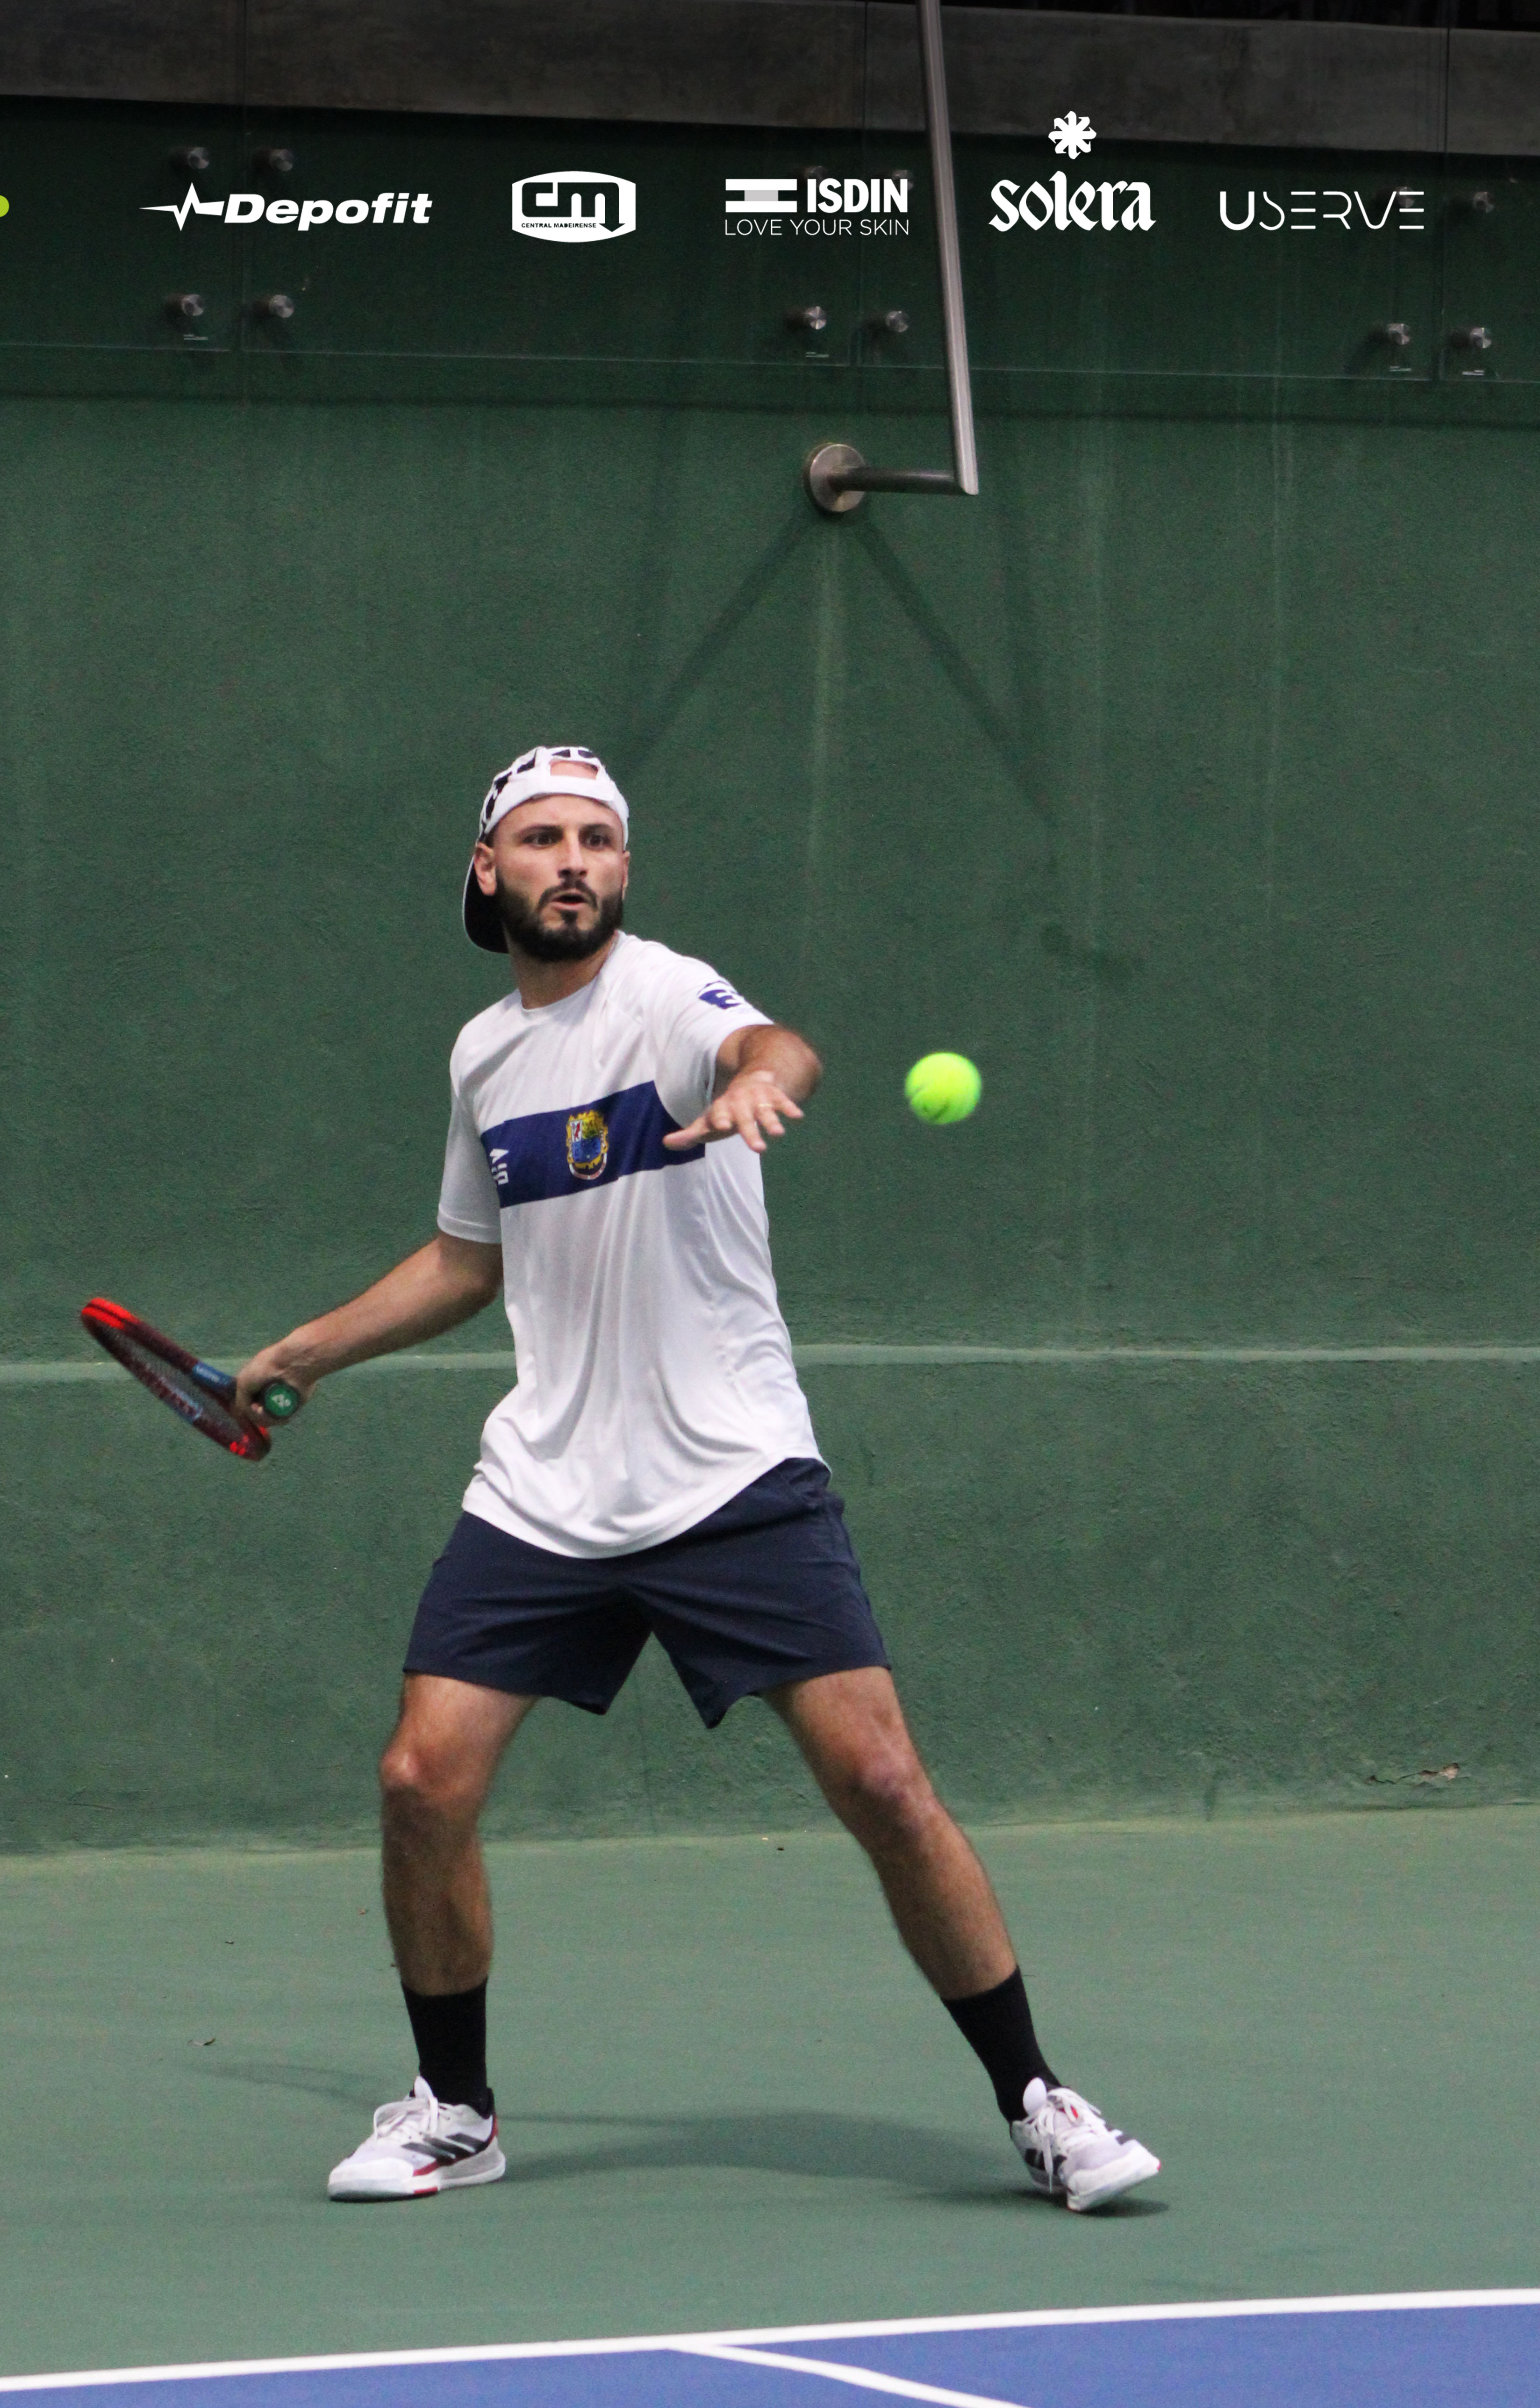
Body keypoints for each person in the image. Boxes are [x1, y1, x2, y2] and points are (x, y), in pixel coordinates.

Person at [237, 745, 1159, 2217]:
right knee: (420, 1782)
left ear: (623, 870)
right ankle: (456, 2112)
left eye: (598, 839)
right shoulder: (483, 1057)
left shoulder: (670, 994)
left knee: (879, 1781)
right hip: (548, 1486)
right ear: (490, 872)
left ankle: (1040, 2101)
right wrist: (309, 1350)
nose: (574, 862)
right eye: (541, 839)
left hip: (733, 1470)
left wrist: (755, 1090)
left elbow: (774, 1047)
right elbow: (472, 1259)